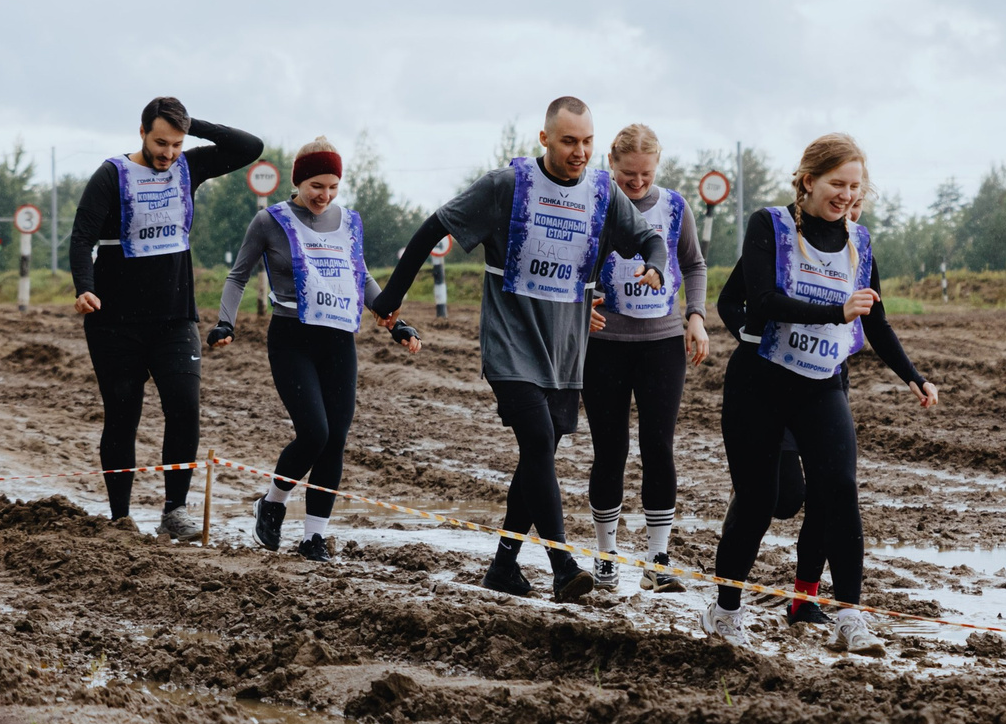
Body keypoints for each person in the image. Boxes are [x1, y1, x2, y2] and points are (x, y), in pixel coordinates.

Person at [369, 97, 667, 602]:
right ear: (545, 138)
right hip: (509, 342)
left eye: (588, 141)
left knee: (540, 455)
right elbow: (433, 227)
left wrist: (656, 263)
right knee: (536, 438)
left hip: (565, 350)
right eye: (569, 141)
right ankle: (561, 563)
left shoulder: (601, 192)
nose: (580, 152)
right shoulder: (505, 186)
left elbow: (648, 238)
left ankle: (504, 566)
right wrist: (392, 296)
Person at [705, 134, 941, 654]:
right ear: (808, 181)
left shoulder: (860, 241)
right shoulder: (769, 225)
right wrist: (835, 313)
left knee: (839, 490)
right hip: (760, 384)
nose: (846, 195)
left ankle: (849, 618)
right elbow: (761, 300)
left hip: (821, 385)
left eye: (856, 187)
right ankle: (724, 611)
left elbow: (874, 318)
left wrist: (913, 375)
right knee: (761, 502)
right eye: (838, 184)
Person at [210, 138, 420, 560]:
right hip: (291, 338)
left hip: (338, 340)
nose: (324, 196)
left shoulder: (349, 222)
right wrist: (224, 322)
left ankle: (313, 537)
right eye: (315, 186)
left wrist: (395, 324)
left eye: (333, 187)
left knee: (335, 441)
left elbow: (360, 278)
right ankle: (272, 502)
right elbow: (237, 277)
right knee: (315, 433)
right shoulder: (270, 221)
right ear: (297, 182)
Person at [68, 97, 263, 540]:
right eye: (160, 142)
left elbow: (250, 146)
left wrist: (195, 127)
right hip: (114, 322)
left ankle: (175, 511)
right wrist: (84, 287)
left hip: (175, 318)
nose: (168, 153)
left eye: (176, 143)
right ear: (141, 132)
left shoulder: (188, 168)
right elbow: (81, 239)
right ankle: (120, 517)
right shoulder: (110, 175)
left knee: (185, 410)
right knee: (123, 416)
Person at [584, 124, 709, 590]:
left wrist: (695, 316)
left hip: (661, 345)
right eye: (627, 174)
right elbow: (576, 265)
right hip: (605, 346)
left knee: (658, 448)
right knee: (610, 451)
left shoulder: (675, 207)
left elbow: (694, 264)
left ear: (658, 167)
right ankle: (606, 557)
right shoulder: (594, 201)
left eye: (645, 174)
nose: (636, 183)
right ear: (611, 163)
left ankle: (658, 561)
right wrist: (584, 308)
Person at [715, 229, 835, 625]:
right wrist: (753, 338)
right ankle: (726, 605)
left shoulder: (856, 248)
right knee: (782, 500)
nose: (847, 210)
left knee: (829, 492)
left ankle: (805, 599)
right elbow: (730, 300)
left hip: (826, 385)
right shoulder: (775, 238)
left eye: (855, 198)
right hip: (770, 380)